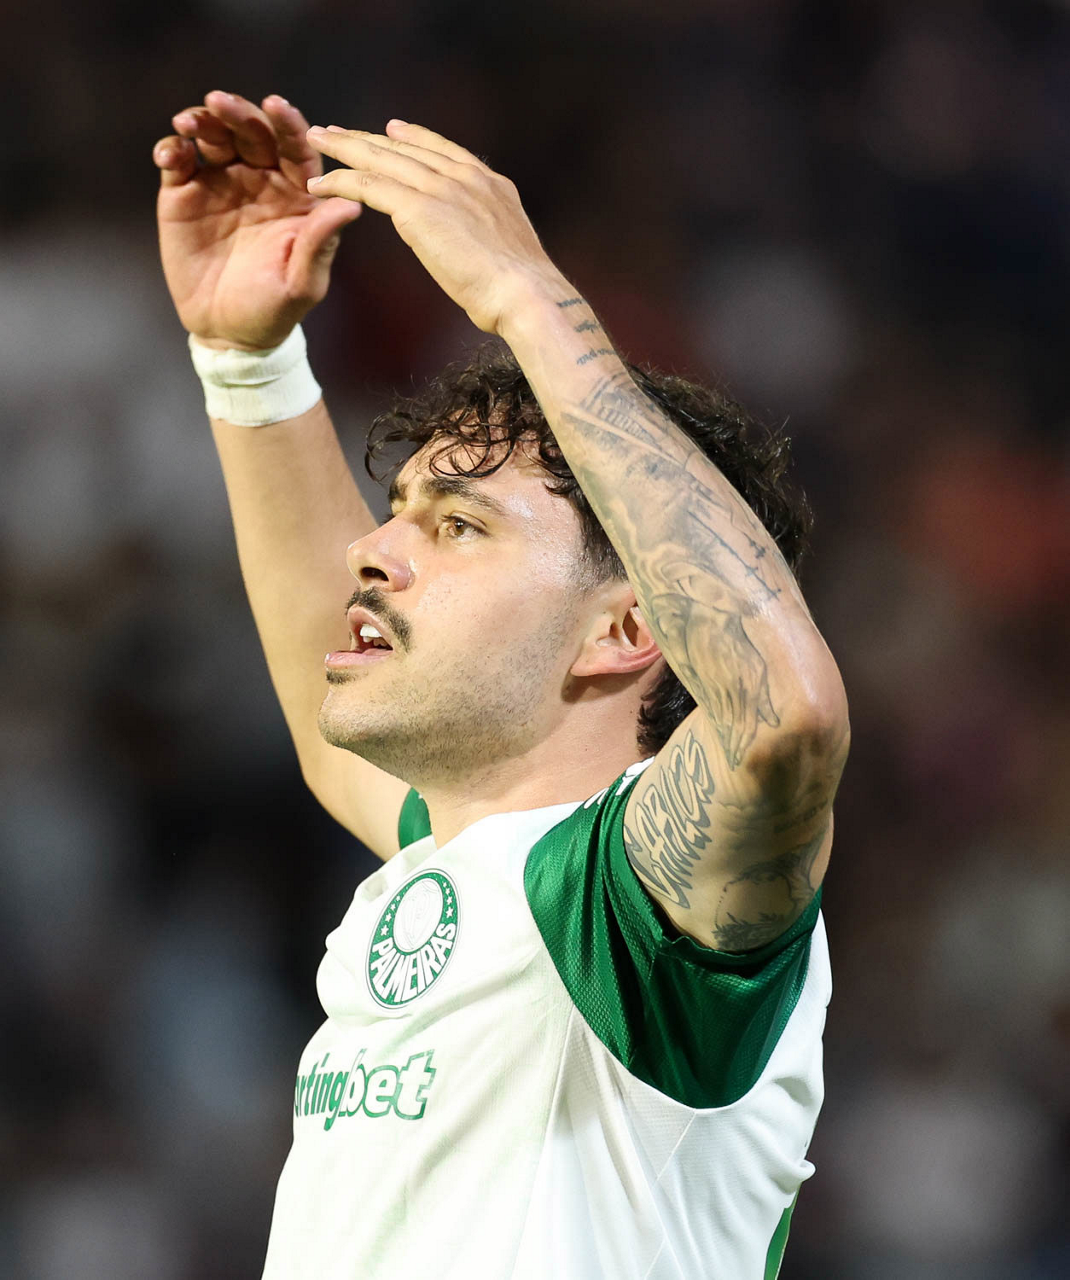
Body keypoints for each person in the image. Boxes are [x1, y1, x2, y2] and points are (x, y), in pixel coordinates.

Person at [153, 89, 850, 1280]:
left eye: (458, 526)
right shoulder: (460, 860)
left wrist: (529, 300)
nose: (374, 552)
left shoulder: (624, 908)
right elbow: (328, 732)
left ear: (624, 626)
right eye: (397, 513)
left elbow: (782, 718)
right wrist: (247, 361)